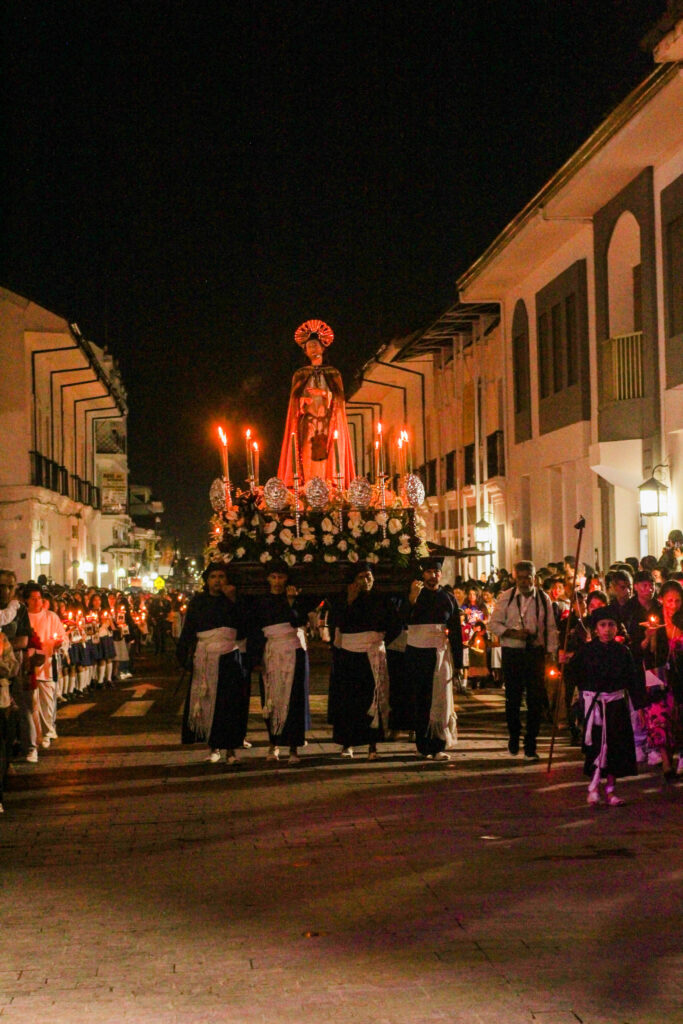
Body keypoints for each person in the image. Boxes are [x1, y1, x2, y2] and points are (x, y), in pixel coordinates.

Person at [566, 606, 642, 806]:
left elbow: (632, 680)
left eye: (611, 625)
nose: (607, 629)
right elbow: (573, 674)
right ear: (596, 629)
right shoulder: (586, 651)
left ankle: (610, 790)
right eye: (602, 625)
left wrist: (639, 706)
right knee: (596, 746)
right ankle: (593, 787)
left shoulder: (623, 652)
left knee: (615, 748)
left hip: (616, 706)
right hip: (595, 707)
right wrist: (566, 665)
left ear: (617, 627)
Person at [177, 563, 249, 764]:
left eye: (221, 576)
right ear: (207, 580)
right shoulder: (198, 602)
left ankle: (231, 750)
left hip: (229, 658)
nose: (217, 580)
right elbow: (189, 629)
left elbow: (245, 626)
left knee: (229, 704)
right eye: (213, 576)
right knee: (208, 701)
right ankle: (213, 746)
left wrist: (233, 600)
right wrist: (183, 655)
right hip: (205, 657)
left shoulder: (235, 600)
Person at [327, 561, 397, 760]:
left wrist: (380, 640)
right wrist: (349, 601)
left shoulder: (382, 599)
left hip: (372, 653)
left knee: (372, 698)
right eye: (361, 577)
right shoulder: (343, 599)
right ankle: (347, 743)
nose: (366, 581)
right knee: (349, 700)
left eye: (368, 576)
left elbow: (395, 624)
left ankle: (372, 745)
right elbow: (336, 623)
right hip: (350, 655)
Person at [489, 560, 558, 761]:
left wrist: (551, 653)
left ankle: (531, 743)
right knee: (513, 697)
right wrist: (512, 633)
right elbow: (493, 624)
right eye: (520, 578)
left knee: (535, 699)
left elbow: (550, 628)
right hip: (513, 652)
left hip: (535, 653)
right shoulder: (507, 597)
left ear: (534, 578)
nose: (524, 581)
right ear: (515, 578)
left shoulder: (543, 599)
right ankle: (514, 734)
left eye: (528, 577)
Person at [277, 319, 355, 488]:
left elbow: (339, 400)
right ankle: (307, 488)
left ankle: (330, 488)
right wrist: (301, 401)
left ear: (323, 348)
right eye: (309, 346)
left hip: (328, 423)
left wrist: (325, 394)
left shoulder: (333, 373)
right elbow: (293, 402)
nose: (313, 348)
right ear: (305, 351)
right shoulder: (300, 374)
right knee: (307, 454)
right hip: (308, 423)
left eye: (316, 345)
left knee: (329, 455)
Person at [250, 561, 310, 766]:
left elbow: (299, 621)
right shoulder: (260, 601)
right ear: (268, 579)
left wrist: (292, 602)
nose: (277, 582)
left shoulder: (295, 598)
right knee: (271, 698)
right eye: (273, 577)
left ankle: (293, 747)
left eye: (281, 577)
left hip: (293, 651)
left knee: (294, 699)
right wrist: (256, 658)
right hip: (271, 652)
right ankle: (273, 743)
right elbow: (256, 630)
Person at [404, 557, 462, 760]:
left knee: (441, 698)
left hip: (440, 653)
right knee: (421, 699)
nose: (433, 576)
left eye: (436, 572)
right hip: (418, 654)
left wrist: (458, 663)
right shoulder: (414, 595)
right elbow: (402, 620)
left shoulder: (448, 598)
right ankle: (423, 744)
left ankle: (438, 744)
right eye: (429, 572)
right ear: (423, 574)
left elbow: (456, 632)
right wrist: (411, 600)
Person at [639, 579, 683, 782]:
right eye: (669, 600)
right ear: (661, 600)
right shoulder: (653, 619)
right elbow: (642, 650)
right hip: (656, 673)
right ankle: (666, 762)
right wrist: (649, 636)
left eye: (678, 600)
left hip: (679, 675)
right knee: (658, 715)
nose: (673, 605)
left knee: (678, 716)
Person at [26, 582, 67, 749]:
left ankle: (48, 731)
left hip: (47, 664)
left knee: (47, 702)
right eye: (33, 598)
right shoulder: (23, 617)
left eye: (39, 598)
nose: (37, 602)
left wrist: (59, 644)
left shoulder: (51, 617)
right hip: (29, 665)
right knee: (32, 703)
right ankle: (36, 734)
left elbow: (63, 637)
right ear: (27, 600)